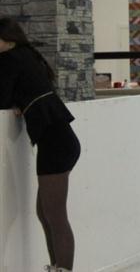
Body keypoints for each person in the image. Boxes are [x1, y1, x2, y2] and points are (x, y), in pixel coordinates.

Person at [0, 17, 81, 272]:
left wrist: (14, 103)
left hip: (55, 143)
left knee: (54, 215)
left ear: (7, 40)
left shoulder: (10, 59)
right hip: (61, 140)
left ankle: (63, 269)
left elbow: (2, 96)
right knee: (45, 213)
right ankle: (57, 266)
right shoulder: (27, 55)